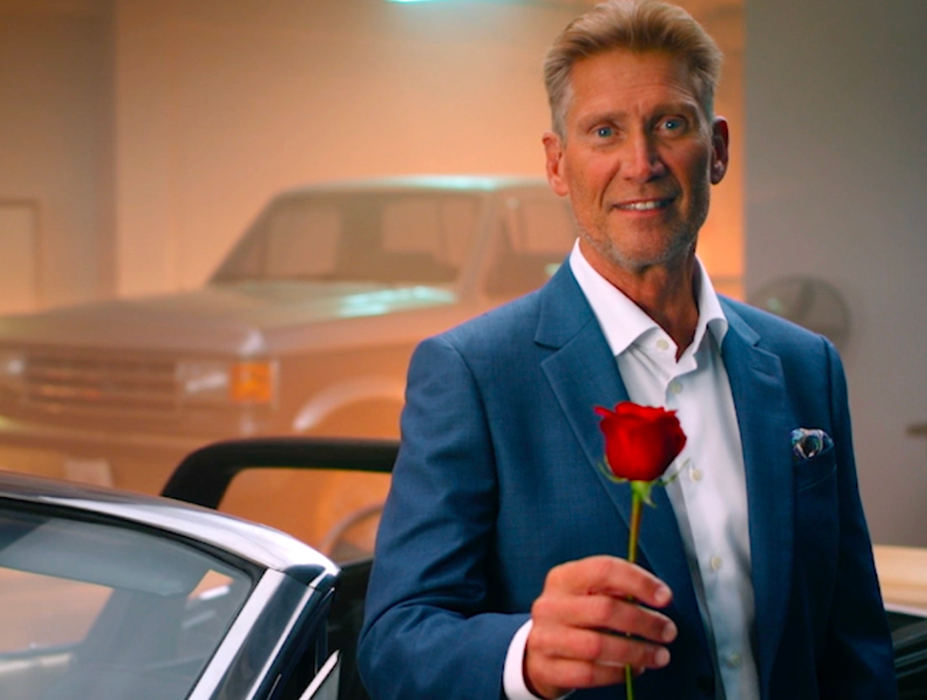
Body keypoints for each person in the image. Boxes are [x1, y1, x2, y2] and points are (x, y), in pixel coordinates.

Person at [355, 2, 897, 699]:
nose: (640, 164)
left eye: (670, 124)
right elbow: (395, 643)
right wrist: (525, 654)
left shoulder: (805, 365)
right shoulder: (472, 374)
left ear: (719, 148)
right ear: (558, 164)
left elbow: (852, 641)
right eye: (604, 131)